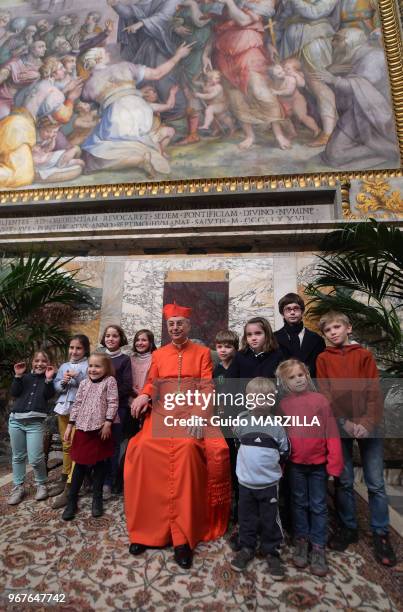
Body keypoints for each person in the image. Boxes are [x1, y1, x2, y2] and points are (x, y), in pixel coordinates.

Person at [126, 302, 231, 569]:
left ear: (188, 326)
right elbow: (152, 381)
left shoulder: (203, 353)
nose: (175, 328)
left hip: (192, 412)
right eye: (171, 324)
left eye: (179, 324)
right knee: (142, 450)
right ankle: (145, 532)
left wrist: (199, 414)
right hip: (162, 412)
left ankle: (182, 536)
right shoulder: (159, 354)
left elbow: (207, 386)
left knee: (186, 451)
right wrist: (144, 395)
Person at [316, 311, 397, 567]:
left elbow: (374, 390)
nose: (333, 333)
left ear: (348, 328)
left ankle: (381, 533)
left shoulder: (364, 355)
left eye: (337, 327)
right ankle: (348, 527)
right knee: (344, 479)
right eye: (328, 330)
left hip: (369, 425)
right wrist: (345, 423)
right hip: (341, 425)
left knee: (375, 484)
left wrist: (365, 423)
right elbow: (325, 392)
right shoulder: (322, 358)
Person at [79, 43, 193, 176]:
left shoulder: (87, 86)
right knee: (133, 138)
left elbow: (85, 99)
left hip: (117, 117)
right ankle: (145, 152)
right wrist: (178, 55)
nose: (109, 54)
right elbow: (157, 74)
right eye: (105, 53)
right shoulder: (124, 66)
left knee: (94, 151)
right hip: (141, 112)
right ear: (98, 59)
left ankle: (137, 157)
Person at [277, 359, 343, 576]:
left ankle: (318, 547)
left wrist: (334, 464)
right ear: (284, 382)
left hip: (318, 466)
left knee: (318, 505)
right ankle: (302, 540)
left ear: (307, 375)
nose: (297, 380)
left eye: (300, 375)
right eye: (291, 377)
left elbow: (331, 433)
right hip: (295, 465)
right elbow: (282, 436)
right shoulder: (284, 404)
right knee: (299, 503)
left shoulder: (320, 401)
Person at [231, 377, 289, 578]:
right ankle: (247, 547)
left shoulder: (276, 426)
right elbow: (238, 442)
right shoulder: (241, 420)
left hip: (269, 484)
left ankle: (272, 551)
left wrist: (269, 468)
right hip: (245, 483)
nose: (260, 402)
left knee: (269, 518)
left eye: (265, 398)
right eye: (255, 398)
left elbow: (284, 450)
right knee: (245, 517)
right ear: (247, 399)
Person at [320, 28, 400, 169]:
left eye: (338, 39)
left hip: (372, 114)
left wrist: (333, 80)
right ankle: (382, 149)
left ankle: (388, 150)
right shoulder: (356, 56)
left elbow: (363, 87)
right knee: (332, 154)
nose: (333, 44)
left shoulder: (373, 57)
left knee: (334, 155)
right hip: (358, 110)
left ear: (349, 42)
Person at [62, 353, 119, 520]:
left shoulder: (110, 382)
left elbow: (113, 402)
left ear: (106, 368)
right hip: (82, 428)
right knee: (79, 464)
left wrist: (108, 422)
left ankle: (97, 498)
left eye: (98, 366)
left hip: (100, 429)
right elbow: (77, 403)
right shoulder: (84, 383)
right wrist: (70, 425)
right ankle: (72, 500)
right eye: (91, 366)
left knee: (100, 464)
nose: (93, 369)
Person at [275, 0, 340, 147]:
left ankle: (329, 132)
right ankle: (301, 128)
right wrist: (274, 41)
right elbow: (282, 19)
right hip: (290, 44)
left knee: (318, 86)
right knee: (292, 86)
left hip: (314, 42)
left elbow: (314, 12)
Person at [7, 351, 56, 505]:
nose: (40, 364)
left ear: (48, 363)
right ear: (32, 362)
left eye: (43, 361)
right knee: (18, 456)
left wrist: (48, 380)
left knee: (35, 458)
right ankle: (18, 487)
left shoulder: (50, 380)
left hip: (35, 423)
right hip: (16, 421)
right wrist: (18, 376)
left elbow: (49, 395)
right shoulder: (25, 377)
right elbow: (14, 392)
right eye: (37, 360)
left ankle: (41, 484)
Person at [49, 334, 90, 499]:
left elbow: (90, 386)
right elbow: (57, 387)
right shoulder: (64, 365)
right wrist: (63, 382)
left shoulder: (88, 366)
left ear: (85, 349)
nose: (74, 351)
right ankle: (64, 475)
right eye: (72, 347)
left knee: (76, 446)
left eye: (78, 348)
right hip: (63, 410)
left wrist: (77, 377)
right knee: (66, 445)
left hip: (78, 411)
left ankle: (71, 484)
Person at [100, 325, 133, 497]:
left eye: (114, 336)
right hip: (96, 409)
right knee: (97, 444)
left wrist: (106, 396)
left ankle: (109, 482)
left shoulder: (125, 359)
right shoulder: (98, 357)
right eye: (107, 336)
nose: (110, 339)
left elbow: (127, 385)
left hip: (117, 408)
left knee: (113, 446)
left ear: (121, 339)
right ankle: (95, 479)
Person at [214, 329, 239, 519]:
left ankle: (240, 500)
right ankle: (228, 500)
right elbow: (218, 392)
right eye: (220, 346)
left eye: (228, 346)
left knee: (239, 460)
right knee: (227, 458)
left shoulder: (240, 366)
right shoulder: (217, 370)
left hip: (239, 417)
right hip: (222, 419)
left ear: (235, 348)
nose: (223, 350)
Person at [274, 293, 325, 377]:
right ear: (282, 313)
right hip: (283, 387)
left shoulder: (317, 339)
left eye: (296, 309)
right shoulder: (273, 338)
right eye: (288, 309)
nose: (292, 312)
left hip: (311, 386)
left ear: (302, 311)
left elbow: (320, 368)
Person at [268, 63, 320, 139]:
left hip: (296, 100)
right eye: (279, 73)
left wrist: (277, 92)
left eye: (282, 70)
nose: (283, 73)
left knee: (302, 116)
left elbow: (289, 91)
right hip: (285, 103)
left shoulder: (290, 79)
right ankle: (292, 133)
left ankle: (316, 129)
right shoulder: (274, 83)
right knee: (284, 118)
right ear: (274, 77)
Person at [32, 117, 84, 183]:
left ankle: (73, 160)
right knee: (68, 155)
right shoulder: (33, 138)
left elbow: (49, 149)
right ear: (39, 129)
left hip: (51, 158)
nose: (51, 134)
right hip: (45, 160)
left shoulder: (50, 137)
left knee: (66, 155)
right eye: (48, 131)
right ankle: (73, 160)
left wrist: (53, 140)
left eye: (55, 132)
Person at [195, 70, 235, 134]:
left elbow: (209, 96)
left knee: (221, 117)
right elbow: (194, 82)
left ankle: (206, 125)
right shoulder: (206, 84)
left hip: (220, 105)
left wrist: (199, 95)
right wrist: (199, 73)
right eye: (216, 78)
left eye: (218, 78)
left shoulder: (218, 87)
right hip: (212, 105)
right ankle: (216, 129)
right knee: (213, 117)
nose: (218, 80)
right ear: (209, 78)